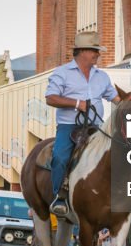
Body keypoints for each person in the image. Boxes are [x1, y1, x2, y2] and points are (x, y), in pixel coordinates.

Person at [43, 31, 121, 216]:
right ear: (83, 51)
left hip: (97, 127)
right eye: (95, 50)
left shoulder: (102, 76)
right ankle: (59, 196)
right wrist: (77, 104)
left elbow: (115, 98)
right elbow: (50, 98)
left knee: (120, 152)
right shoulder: (62, 73)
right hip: (69, 127)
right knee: (61, 157)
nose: (98, 54)